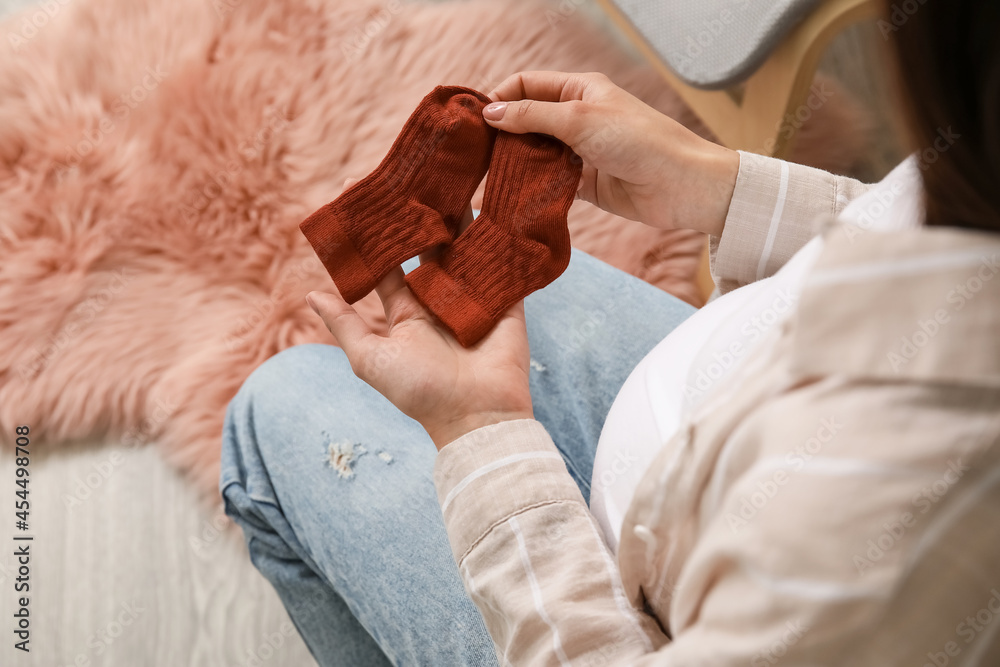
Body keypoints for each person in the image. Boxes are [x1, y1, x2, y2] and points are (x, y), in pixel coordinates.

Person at [220, 1, 1000, 664]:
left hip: (629, 617)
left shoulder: (900, 525)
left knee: (272, 409)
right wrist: (724, 189)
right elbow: (919, 227)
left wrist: (483, 432)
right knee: (520, 287)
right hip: (709, 436)